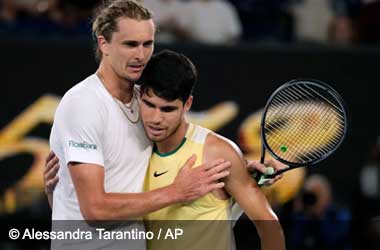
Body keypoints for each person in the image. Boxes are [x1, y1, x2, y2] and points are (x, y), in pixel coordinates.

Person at [47, 1, 231, 249]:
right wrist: (177, 192)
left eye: (148, 44)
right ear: (104, 45)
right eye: (130, 44)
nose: (141, 55)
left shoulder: (143, 101)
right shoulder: (84, 104)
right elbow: (94, 209)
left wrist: (236, 165)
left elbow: (182, 141)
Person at [139, 49, 285, 250]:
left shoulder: (216, 152)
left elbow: (269, 226)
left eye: (168, 109)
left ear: (187, 104)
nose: (155, 118)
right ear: (139, 95)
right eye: (149, 105)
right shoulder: (132, 146)